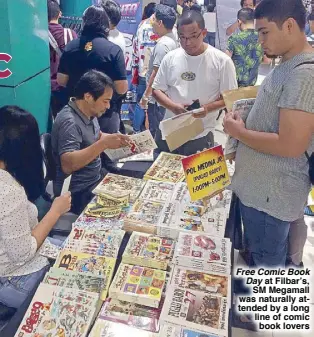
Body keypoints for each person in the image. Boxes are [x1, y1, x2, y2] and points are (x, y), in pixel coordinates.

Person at [224, 0, 314, 273]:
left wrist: (240, 132)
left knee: (267, 266)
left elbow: (290, 145)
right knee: (259, 259)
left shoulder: (304, 75)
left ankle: (260, 315)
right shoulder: (286, 63)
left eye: (264, 32)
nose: (259, 40)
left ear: (289, 25)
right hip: (260, 193)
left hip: (272, 198)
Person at [0, 106, 71, 309]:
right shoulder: (7, 189)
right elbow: (22, 254)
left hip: (13, 266)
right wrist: (55, 212)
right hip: (14, 277)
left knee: (77, 248)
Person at [152, 10, 237, 156]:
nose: (187, 42)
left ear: (204, 33)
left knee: (194, 178)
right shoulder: (170, 58)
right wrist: (174, 107)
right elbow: (156, 90)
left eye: (193, 36)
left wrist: (207, 109)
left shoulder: (222, 61)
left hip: (200, 136)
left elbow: (230, 98)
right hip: (168, 133)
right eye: (182, 37)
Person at [52, 70, 130, 215]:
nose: (107, 106)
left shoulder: (89, 112)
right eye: (105, 101)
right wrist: (103, 144)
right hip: (78, 191)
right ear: (88, 97)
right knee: (123, 212)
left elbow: (95, 136)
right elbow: (68, 164)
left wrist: (116, 140)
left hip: (96, 177)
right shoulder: (69, 122)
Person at [57, 5, 128, 136]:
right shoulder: (113, 50)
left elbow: (61, 80)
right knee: (106, 151)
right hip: (105, 115)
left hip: (77, 114)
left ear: (84, 22)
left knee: (79, 150)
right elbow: (121, 88)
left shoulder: (71, 47)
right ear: (106, 25)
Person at [140, 5, 179, 138]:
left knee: (156, 134)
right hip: (166, 96)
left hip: (158, 100)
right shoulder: (173, 38)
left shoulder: (163, 45)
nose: (152, 23)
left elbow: (155, 73)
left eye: (154, 19)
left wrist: (146, 96)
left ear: (160, 23)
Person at [48, 0, 77, 118]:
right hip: (64, 87)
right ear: (59, 13)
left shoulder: (37, 35)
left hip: (42, 87)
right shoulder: (70, 34)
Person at [131, 3, 157, 133]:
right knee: (154, 105)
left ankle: (136, 130)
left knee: (141, 103)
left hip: (142, 71)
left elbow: (135, 48)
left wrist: (135, 68)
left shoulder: (141, 25)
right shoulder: (160, 26)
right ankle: (151, 132)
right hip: (157, 72)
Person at [226, 8, 263, 87]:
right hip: (252, 85)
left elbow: (225, 61)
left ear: (239, 22)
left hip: (235, 86)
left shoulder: (234, 39)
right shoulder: (261, 38)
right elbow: (267, 60)